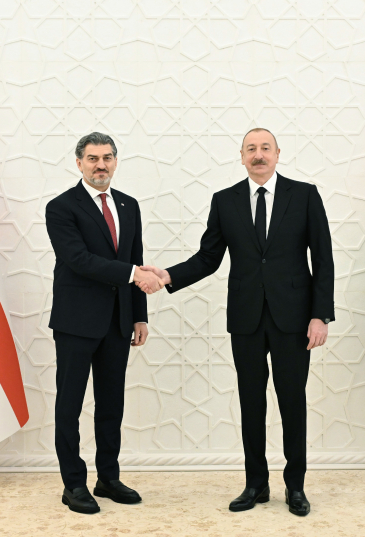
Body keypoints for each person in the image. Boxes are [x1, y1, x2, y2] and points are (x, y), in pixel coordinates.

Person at [141, 128, 334, 517]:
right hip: (246, 318)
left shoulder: (304, 195)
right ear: (242, 156)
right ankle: (255, 484)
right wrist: (168, 276)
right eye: (251, 149)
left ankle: (295, 486)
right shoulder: (225, 200)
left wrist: (320, 315)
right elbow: (208, 257)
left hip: (294, 319)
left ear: (277, 153)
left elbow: (323, 257)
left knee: (292, 401)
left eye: (265, 148)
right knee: (250, 402)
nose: (258, 155)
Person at [45, 132, 163, 514]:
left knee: (112, 404)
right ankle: (73, 484)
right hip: (76, 322)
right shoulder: (61, 207)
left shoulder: (129, 205)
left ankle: (108, 478)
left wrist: (139, 315)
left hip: (118, 321)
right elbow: (78, 259)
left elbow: (135, 258)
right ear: (79, 162)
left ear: (115, 161)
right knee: (70, 405)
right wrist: (132, 274)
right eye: (93, 158)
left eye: (107, 157)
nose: (101, 165)